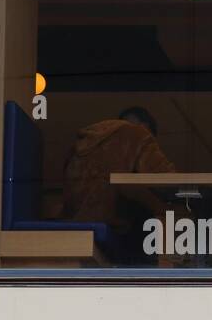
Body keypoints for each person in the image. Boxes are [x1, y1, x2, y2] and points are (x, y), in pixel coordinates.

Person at [61, 106, 176, 257]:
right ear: (145, 128)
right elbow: (168, 179)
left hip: (73, 227)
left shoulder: (80, 144)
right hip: (116, 233)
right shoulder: (137, 134)